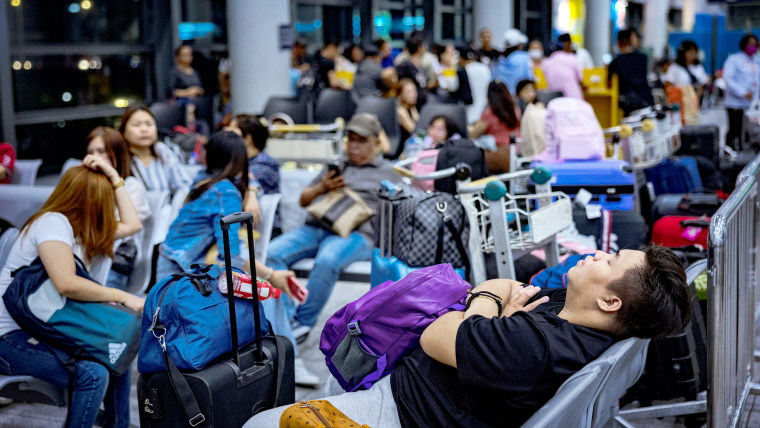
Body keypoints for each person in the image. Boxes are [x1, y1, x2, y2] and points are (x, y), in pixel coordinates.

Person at [246, 245, 692, 428]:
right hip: (416, 388)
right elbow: (501, 289)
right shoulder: (571, 316)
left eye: (610, 261)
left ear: (611, 302)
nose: (597, 253)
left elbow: (437, 333)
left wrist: (480, 308)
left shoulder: (532, 347)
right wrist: (486, 314)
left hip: (401, 409)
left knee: (257, 424)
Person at [0, 162, 144, 428]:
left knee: (118, 349)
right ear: (89, 201)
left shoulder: (82, 230)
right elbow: (66, 283)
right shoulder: (53, 223)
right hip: (8, 337)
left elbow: (133, 224)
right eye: (105, 200)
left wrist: (114, 178)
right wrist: (122, 296)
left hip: (41, 328)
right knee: (93, 373)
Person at [261, 114, 401, 365]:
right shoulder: (337, 166)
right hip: (317, 227)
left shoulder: (389, 172)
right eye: (351, 140)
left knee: (327, 260)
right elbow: (304, 200)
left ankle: (301, 324)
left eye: (361, 141)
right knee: (269, 254)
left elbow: (400, 211)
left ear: (376, 143)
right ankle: (287, 316)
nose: (354, 147)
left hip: (357, 234)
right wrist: (322, 187)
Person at [85, 127, 152, 290]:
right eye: (91, 152)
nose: (96, 158)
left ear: (117, 153)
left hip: (113, 262)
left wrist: (83, 232)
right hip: (85, 258)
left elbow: (129, 227)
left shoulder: (131, 186)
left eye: (102, 151)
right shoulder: (87, 185)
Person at [227, 114, 281, 235]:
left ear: (247, 139)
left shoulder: (266, 163)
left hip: (265, 233)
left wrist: (251, 192)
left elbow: (246, 179)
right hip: (240, 229)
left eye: (232, 132)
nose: (227, 136)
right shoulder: (237, 161)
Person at [119, 105, 193, 194]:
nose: (144, 129)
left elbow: (184, 186)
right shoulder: (119, 159)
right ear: (124, 132)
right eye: (136, 125)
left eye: (149, 124)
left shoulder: (163, 151)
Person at [469, 80, 521, 173]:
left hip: (499, 154)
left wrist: (469, 128)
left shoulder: (490, 113)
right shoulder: (515, 110)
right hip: (515, 152)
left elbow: (473, 134)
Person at [723, 33, 760, 150]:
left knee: (750, 131)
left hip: (751, 104)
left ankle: (746, 151)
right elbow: (728, 78)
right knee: (735, 129)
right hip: (735, 102)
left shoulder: (756, 60)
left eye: (755, 44)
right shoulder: (734, 59)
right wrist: (743, 92)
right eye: (750, 44)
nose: (752, 47)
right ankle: (730, 151)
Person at [608, 29, 655, 116]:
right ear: (632, 41)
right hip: (646, 100)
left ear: (618, 42)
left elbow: (609, 83)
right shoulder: (642, 58)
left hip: (629, 105)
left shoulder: (615, 63)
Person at [396, 33, 436, 107]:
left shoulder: (422, 65)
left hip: (422, 102)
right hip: (410, 106)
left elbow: (423, 83)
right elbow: (397, 82)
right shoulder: (405, 65)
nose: (426, 48)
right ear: (419, 48)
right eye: (424, 46)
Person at [492, 29, 533, 94]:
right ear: (518, 45)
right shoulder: (524, 57)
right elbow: (529, 79)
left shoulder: (497, 59)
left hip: (501, 97)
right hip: (519, 98)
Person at [459, 45, 491, 124]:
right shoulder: (485, 68)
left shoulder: (463, 72)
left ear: (461, 58)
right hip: (485, 112)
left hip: (470, 114)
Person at [395, 78, 420, 158]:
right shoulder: (400, 111)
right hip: (400, 150)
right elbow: (414, 131)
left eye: (414, 91)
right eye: (409, 92)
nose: (414, 94)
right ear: (400, 94)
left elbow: (420, 124)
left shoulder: (411, 108)